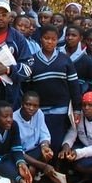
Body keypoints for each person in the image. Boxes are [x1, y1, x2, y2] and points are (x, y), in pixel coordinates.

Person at [25, 25, 82, 158]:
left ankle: (57, 170)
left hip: (60, 108)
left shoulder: (65, 60)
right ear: (40, 39)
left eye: (53, 39)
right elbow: (27, 88)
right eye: (46, 38)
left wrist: (77, 109)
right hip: (40, 110)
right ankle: (44, 170)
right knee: (43, 141)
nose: (49, 42)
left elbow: (74, 86)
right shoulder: (32, 61)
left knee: (57, 141)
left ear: (57, 40)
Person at [0, 1, 33, 109]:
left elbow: (28, 67)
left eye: (4, 15)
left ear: (10, 17)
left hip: (8, 90)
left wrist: (8, 70)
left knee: (5, 121)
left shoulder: (18, 38)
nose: (0, 18)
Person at [12, 91, 54, 183]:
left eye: (35, 106)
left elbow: (44, 134)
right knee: (30, 169)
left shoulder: (39, 113)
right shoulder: (14, 119)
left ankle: (37, 177)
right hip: (20, 154)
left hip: (35, 150)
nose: (31, 108)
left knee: (48, 152)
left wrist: (44, 146)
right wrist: (43, 166)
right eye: (28, 104)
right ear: (22, 104)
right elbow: (17, 150)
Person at [61, 25, 92, 95]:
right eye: (67, 35)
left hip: (76, 101)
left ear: (80, 38)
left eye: (74, 35)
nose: (70, 38)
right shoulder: (57, 53)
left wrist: (85, 95)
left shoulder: (85, 59)